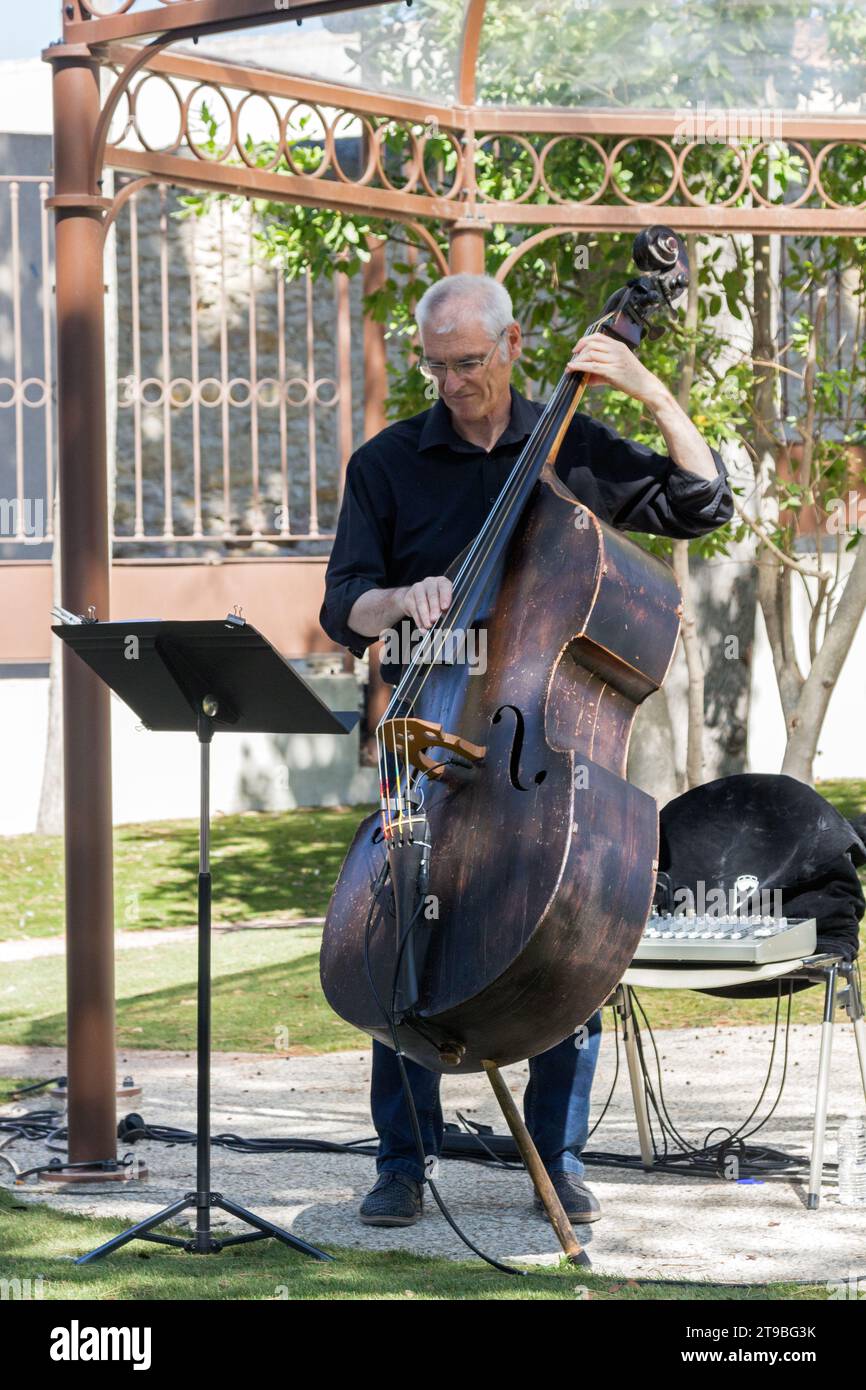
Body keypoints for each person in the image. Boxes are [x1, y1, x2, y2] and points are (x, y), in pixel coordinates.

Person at [320, 272, 734, 1227]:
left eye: (468, 362)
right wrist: (401, 599)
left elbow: (702, 505)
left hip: (535, 744)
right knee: (399, 937)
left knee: (571, 923)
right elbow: (346, 603)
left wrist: (653, 391)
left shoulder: (569, 446)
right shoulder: (387, 463)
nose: (453, 381)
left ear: (509, 347)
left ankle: (556, 1154)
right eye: (436, 365)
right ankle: (399, 1162)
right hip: (427, 723)